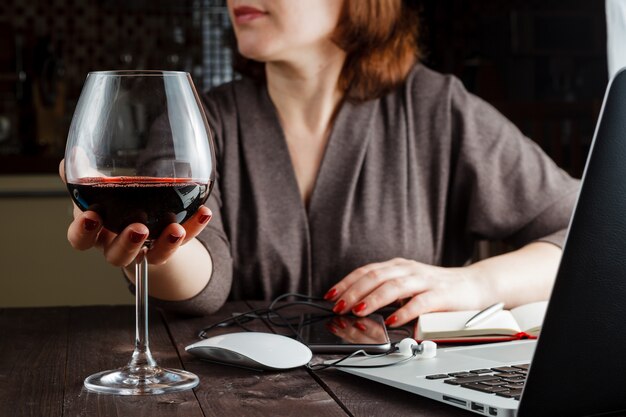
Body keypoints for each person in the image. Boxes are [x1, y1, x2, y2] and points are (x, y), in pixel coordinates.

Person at [63, 0, 579, 328]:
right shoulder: (201, 121)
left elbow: (591, 232)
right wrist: (149, 242)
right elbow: (204, 282)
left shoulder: (437, 109)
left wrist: (474, 283)